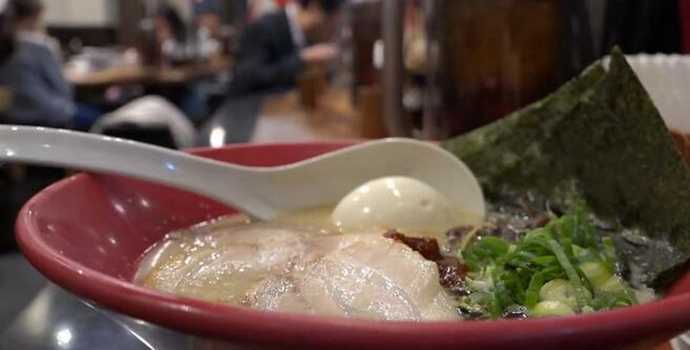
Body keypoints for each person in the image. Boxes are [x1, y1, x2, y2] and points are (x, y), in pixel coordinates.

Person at [0, 0, 100, 129]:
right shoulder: (40, 45)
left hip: (12, 118)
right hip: (50, 116)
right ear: (35, 16)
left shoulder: (6, 41)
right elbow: (65, 91)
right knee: (100, 118)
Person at [227, 0, 345, 96]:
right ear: (315, 8)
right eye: (330, 24)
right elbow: (246, 80)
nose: (331, 32)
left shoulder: (307, 36)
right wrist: (302, 58)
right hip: (250, 115)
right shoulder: (263, 27)